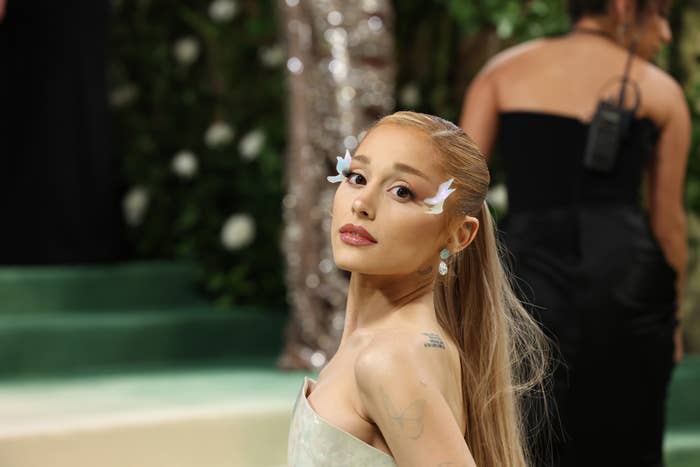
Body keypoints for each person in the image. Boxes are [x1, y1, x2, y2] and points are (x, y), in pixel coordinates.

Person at [460, 1, 689, 466]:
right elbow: (668, 223)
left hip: (526, 278)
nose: (664, 33)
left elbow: (457, 200)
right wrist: (673, 317)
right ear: (625, 7)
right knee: (628, 435)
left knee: (524, 435)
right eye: (660, 13)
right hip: (628, 283)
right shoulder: (662, 92)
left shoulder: (502, 73)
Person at [287, 111, 550, 467]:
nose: (361, 204)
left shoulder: (389, 360)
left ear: (460, 235)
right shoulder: (382, 346)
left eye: (402, 191)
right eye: (357, 177)